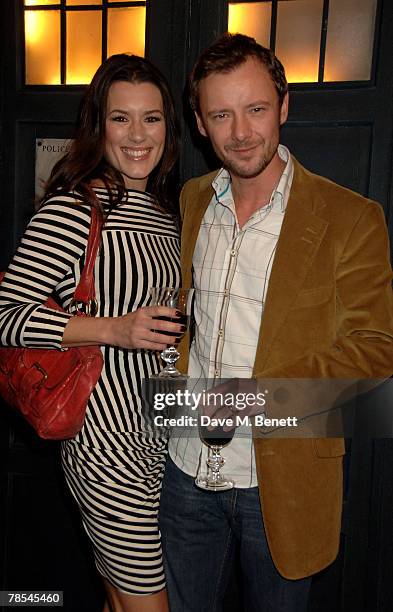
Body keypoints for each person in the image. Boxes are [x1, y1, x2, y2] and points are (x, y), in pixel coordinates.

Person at [158, 33, 393, 611]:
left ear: (284, 106)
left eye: (256, 108)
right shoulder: (190, 201)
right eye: (221, 114)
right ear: (200, 122)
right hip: (184, 474)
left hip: (282, 483)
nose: (240, 132)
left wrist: (250, 401)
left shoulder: (350, 218)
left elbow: (375, 351)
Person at [0, 54, 183, 612]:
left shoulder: (163, 211)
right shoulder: (74, 208)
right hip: (104, 447)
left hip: (161, 440)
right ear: (97, 125)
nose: (137, 135)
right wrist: (114, 329)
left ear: (168, 127)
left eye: (150, 118)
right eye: (120, 118)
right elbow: (7, 316)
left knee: (121, 599)